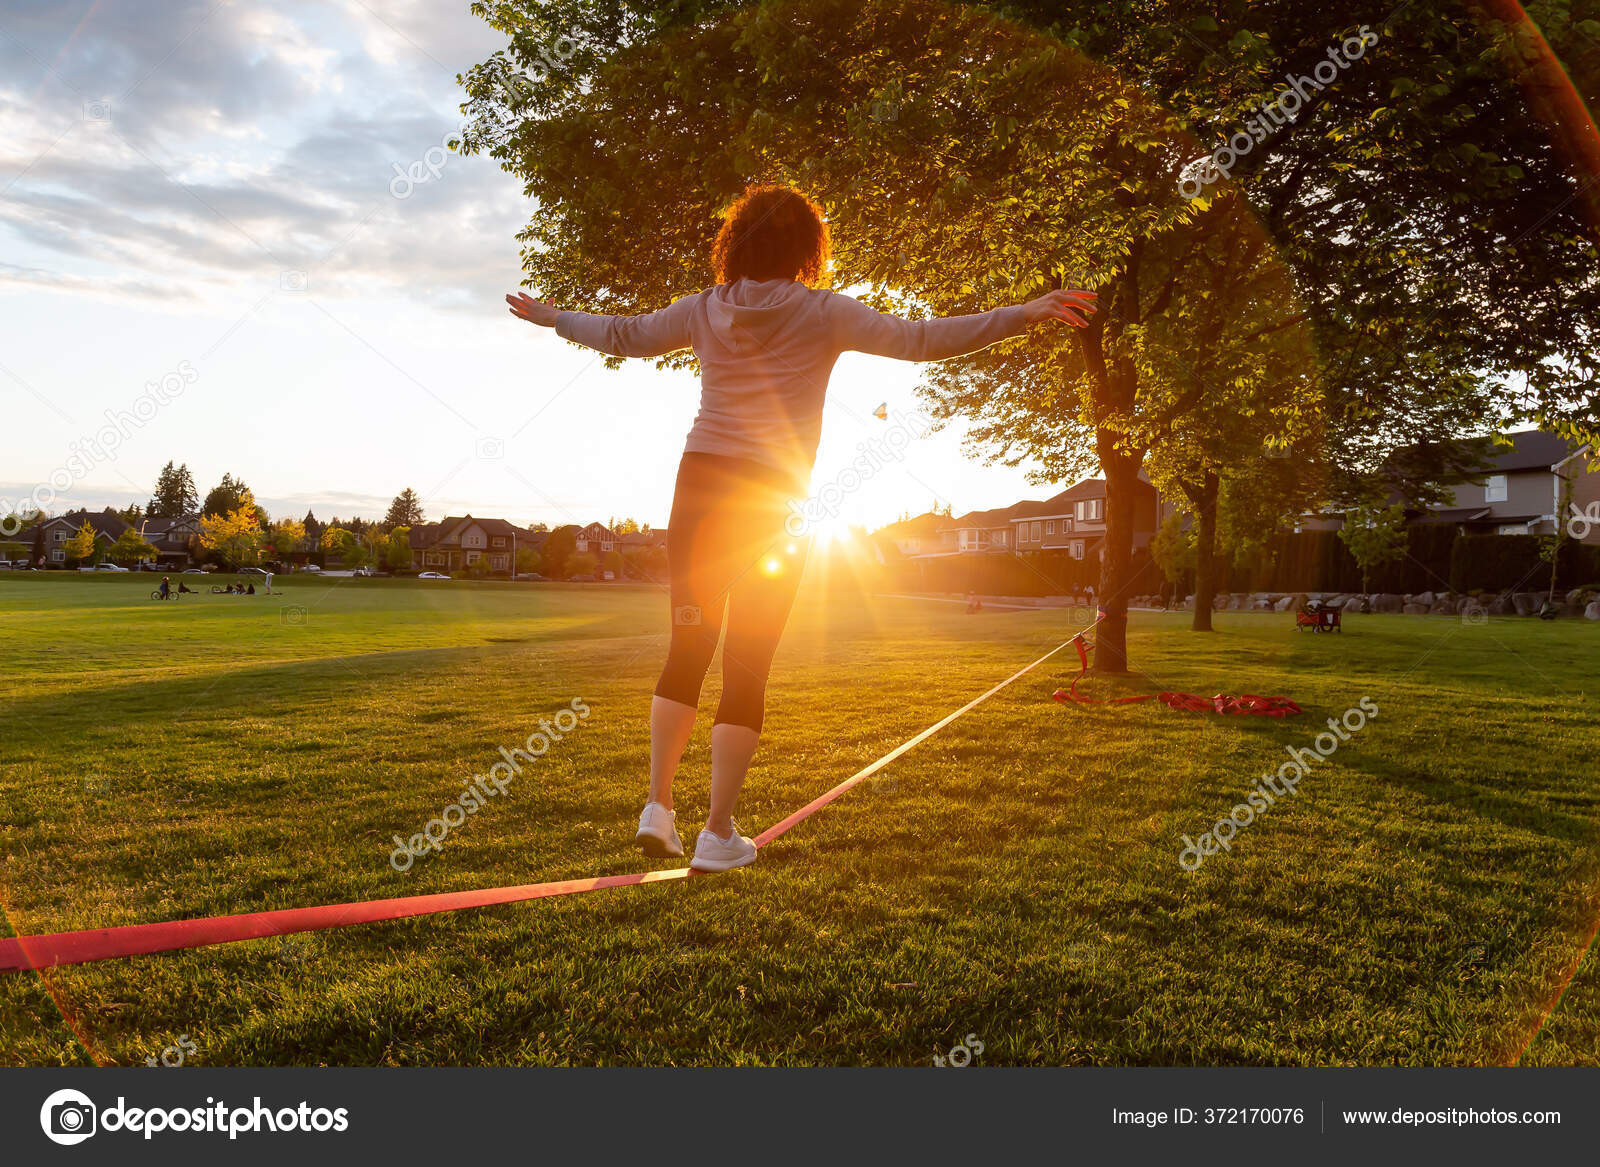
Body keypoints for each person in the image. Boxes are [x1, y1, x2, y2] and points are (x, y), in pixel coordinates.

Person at [506, 184, 1096, 872]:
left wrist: (554, 318)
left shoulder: (703, 310)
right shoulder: (824, 312)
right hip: (769, 498)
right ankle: (716, 832)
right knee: (747, 663)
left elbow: (623, 334)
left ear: (736, 243)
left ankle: (658, 805)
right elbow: (921, 340)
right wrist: (1025, 313)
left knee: (687, 647)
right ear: (807, 248)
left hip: (697, 489)